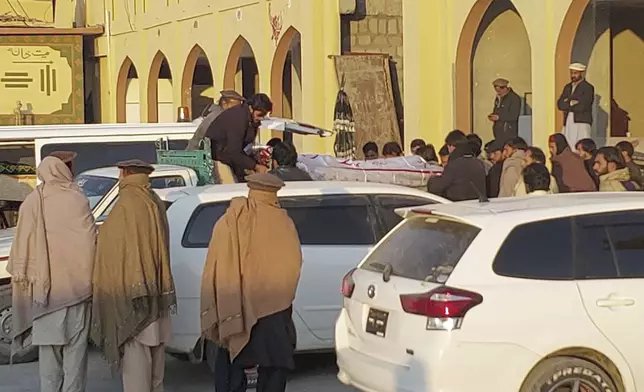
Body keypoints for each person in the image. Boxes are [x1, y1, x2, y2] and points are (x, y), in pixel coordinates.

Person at [201, 173, 302, 392]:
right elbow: (293, 267)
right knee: (274, 365)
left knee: (231, 363)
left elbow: (215, 265)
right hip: (274, 310)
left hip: (236, 307)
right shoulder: (282, 222)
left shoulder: (229, 220)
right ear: (274, 194)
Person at [8, 153, 96, 392]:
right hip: (77, 294)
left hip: (44, 297)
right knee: (75, 361)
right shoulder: (77, 200)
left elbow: (21, 249)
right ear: (65, 170)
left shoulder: (32, 202)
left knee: (49, 365)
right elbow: (90, 246)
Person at [91, 159, 177, 392]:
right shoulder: (154, 200)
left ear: (126, 174)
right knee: (156, 377)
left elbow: (114, 246)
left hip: (134, 304)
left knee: (137, 377)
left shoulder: (128, 204)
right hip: (157, 296)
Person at [205, 93, 273, 183]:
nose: (261, 118)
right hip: (217, 159)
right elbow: (233, 152)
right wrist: (255, 166)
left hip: (230, 158)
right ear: (251, 108)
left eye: (264, 115)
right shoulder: (237, 119)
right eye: (260, 114)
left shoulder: (249, 119)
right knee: (232, 187)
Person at [557, 63, 595, 147]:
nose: (573, 75)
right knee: (568, 144)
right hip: (568, 120)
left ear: (581, 73)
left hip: (581, 121)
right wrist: (571, 103)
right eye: (572, 73)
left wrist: (568, 103)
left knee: (582, 144)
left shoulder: (587, 87)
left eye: (575, 73)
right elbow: (560, 104)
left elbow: (583, 106)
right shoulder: (568, 87)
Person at [488, 78, 522, 142]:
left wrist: (499, 117)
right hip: (499, 131)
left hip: (508, 132)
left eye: (499, 91)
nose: (498, 93)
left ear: (505, 88)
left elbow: (514, 116)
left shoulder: (514, 98)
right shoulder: (499, 98)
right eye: (496, 90)